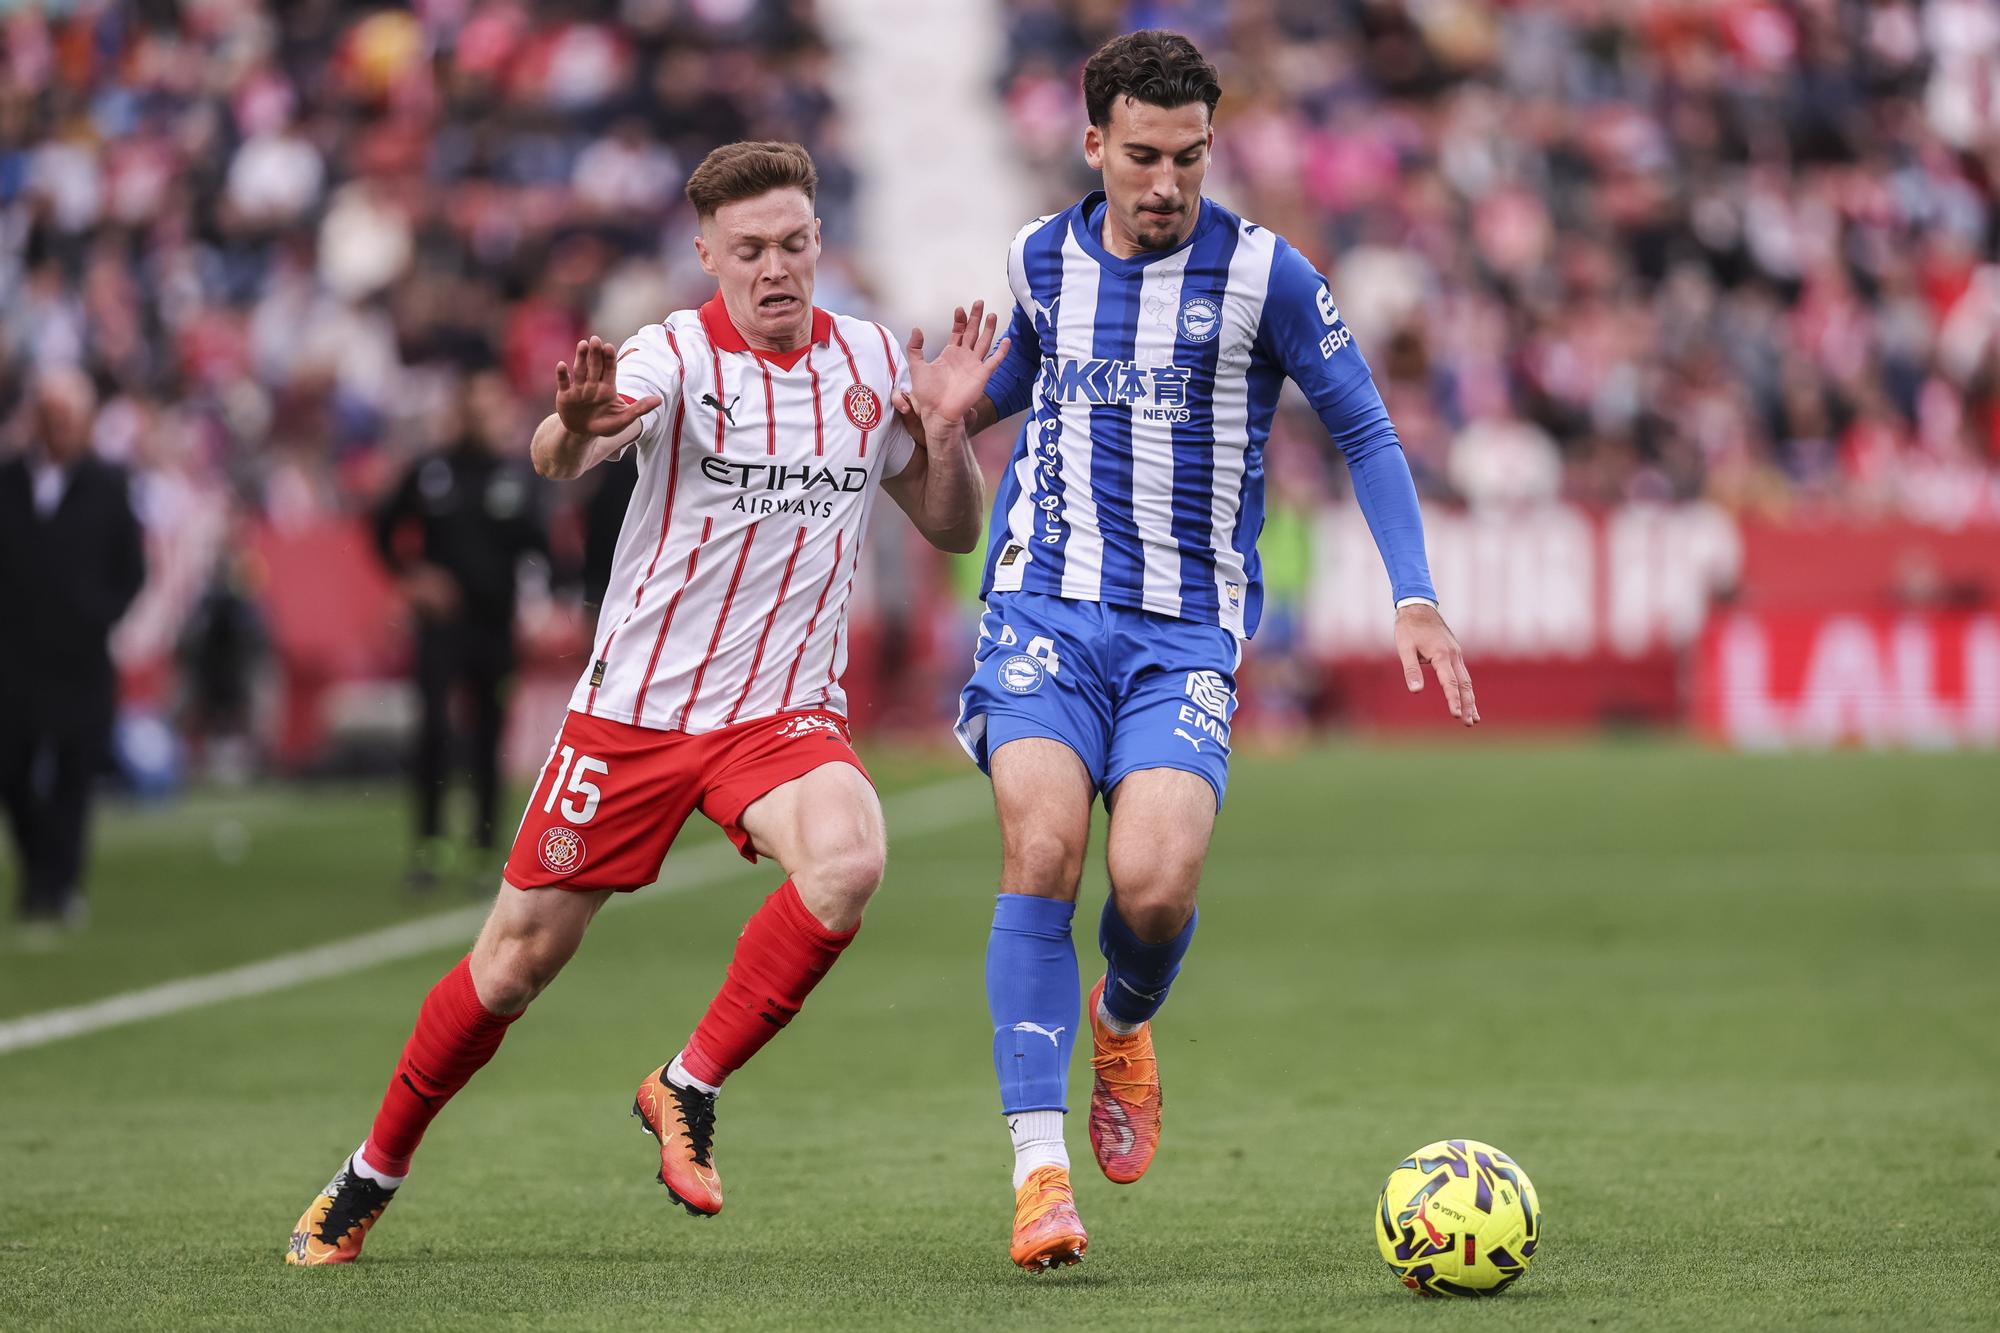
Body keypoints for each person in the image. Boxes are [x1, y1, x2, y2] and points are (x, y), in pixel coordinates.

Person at [286, 141, 1007, 1265]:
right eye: (751, 249)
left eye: (795, 244)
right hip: (634, 716)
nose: (776, 269)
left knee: (851, 855)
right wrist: (573, 422)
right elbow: (563, 447)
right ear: (706, 252)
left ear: (821, 242)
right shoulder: (674, 350)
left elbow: (953, 527)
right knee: (512, 964)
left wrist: (952, 431)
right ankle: (371, 1169)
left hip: (780, 715)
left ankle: (685, 1082)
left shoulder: (869, 360)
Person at [951, 31, 1479, 1271]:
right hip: (1042, 609)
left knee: (1151, 885)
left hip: (1183, 630)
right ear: (1092, 144)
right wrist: (940, 409)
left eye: (1189, 157)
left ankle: (1124, 1021)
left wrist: (1413, 593)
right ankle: (1038, 1176)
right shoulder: (1038, 258)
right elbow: (1017, 380)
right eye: (1141, 157)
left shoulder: (1265, 276)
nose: (1165, 183)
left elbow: (1364, 425)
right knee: (1041, 847)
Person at [373, 369, 550, 890]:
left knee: (489, 733)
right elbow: (382, 529)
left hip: (494, 627)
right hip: (441, 628)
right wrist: (413, 579)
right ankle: (427, 846)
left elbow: (542, 550)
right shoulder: (431, 471)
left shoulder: (517, 476)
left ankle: (483, 848)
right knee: (431, 730)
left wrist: (543, 600)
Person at [0, 368, 146, 936]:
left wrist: (95, 614)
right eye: (49, 415)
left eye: (67, 417)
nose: (57, 428)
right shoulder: (8, 481)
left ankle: (57, 887)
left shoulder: (108, 485)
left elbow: (131, 570)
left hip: (80, 658)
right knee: (11, 771)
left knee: (72, 774)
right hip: (13, 659)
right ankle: (41, 871)